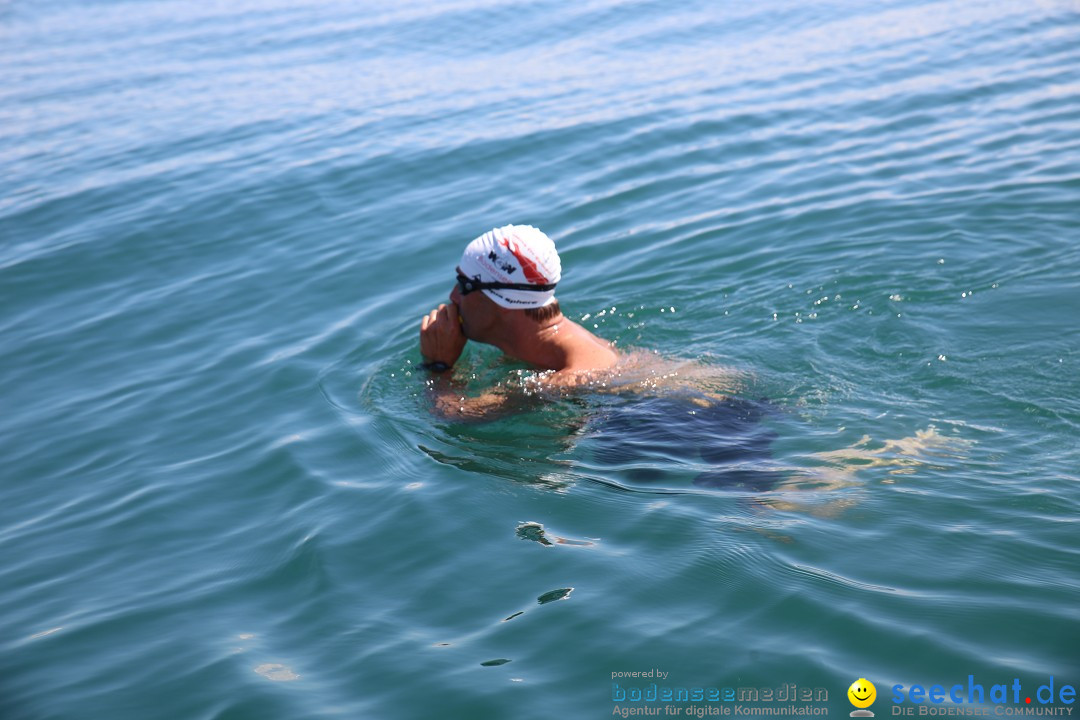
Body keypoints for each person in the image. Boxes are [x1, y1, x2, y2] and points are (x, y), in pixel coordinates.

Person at [418, 224, 618, 417]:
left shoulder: (570, 378)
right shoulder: (553, 350)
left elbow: (456, 414)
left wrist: (438, 368)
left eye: (464, 285)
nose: (453, 296)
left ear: (504, 302)